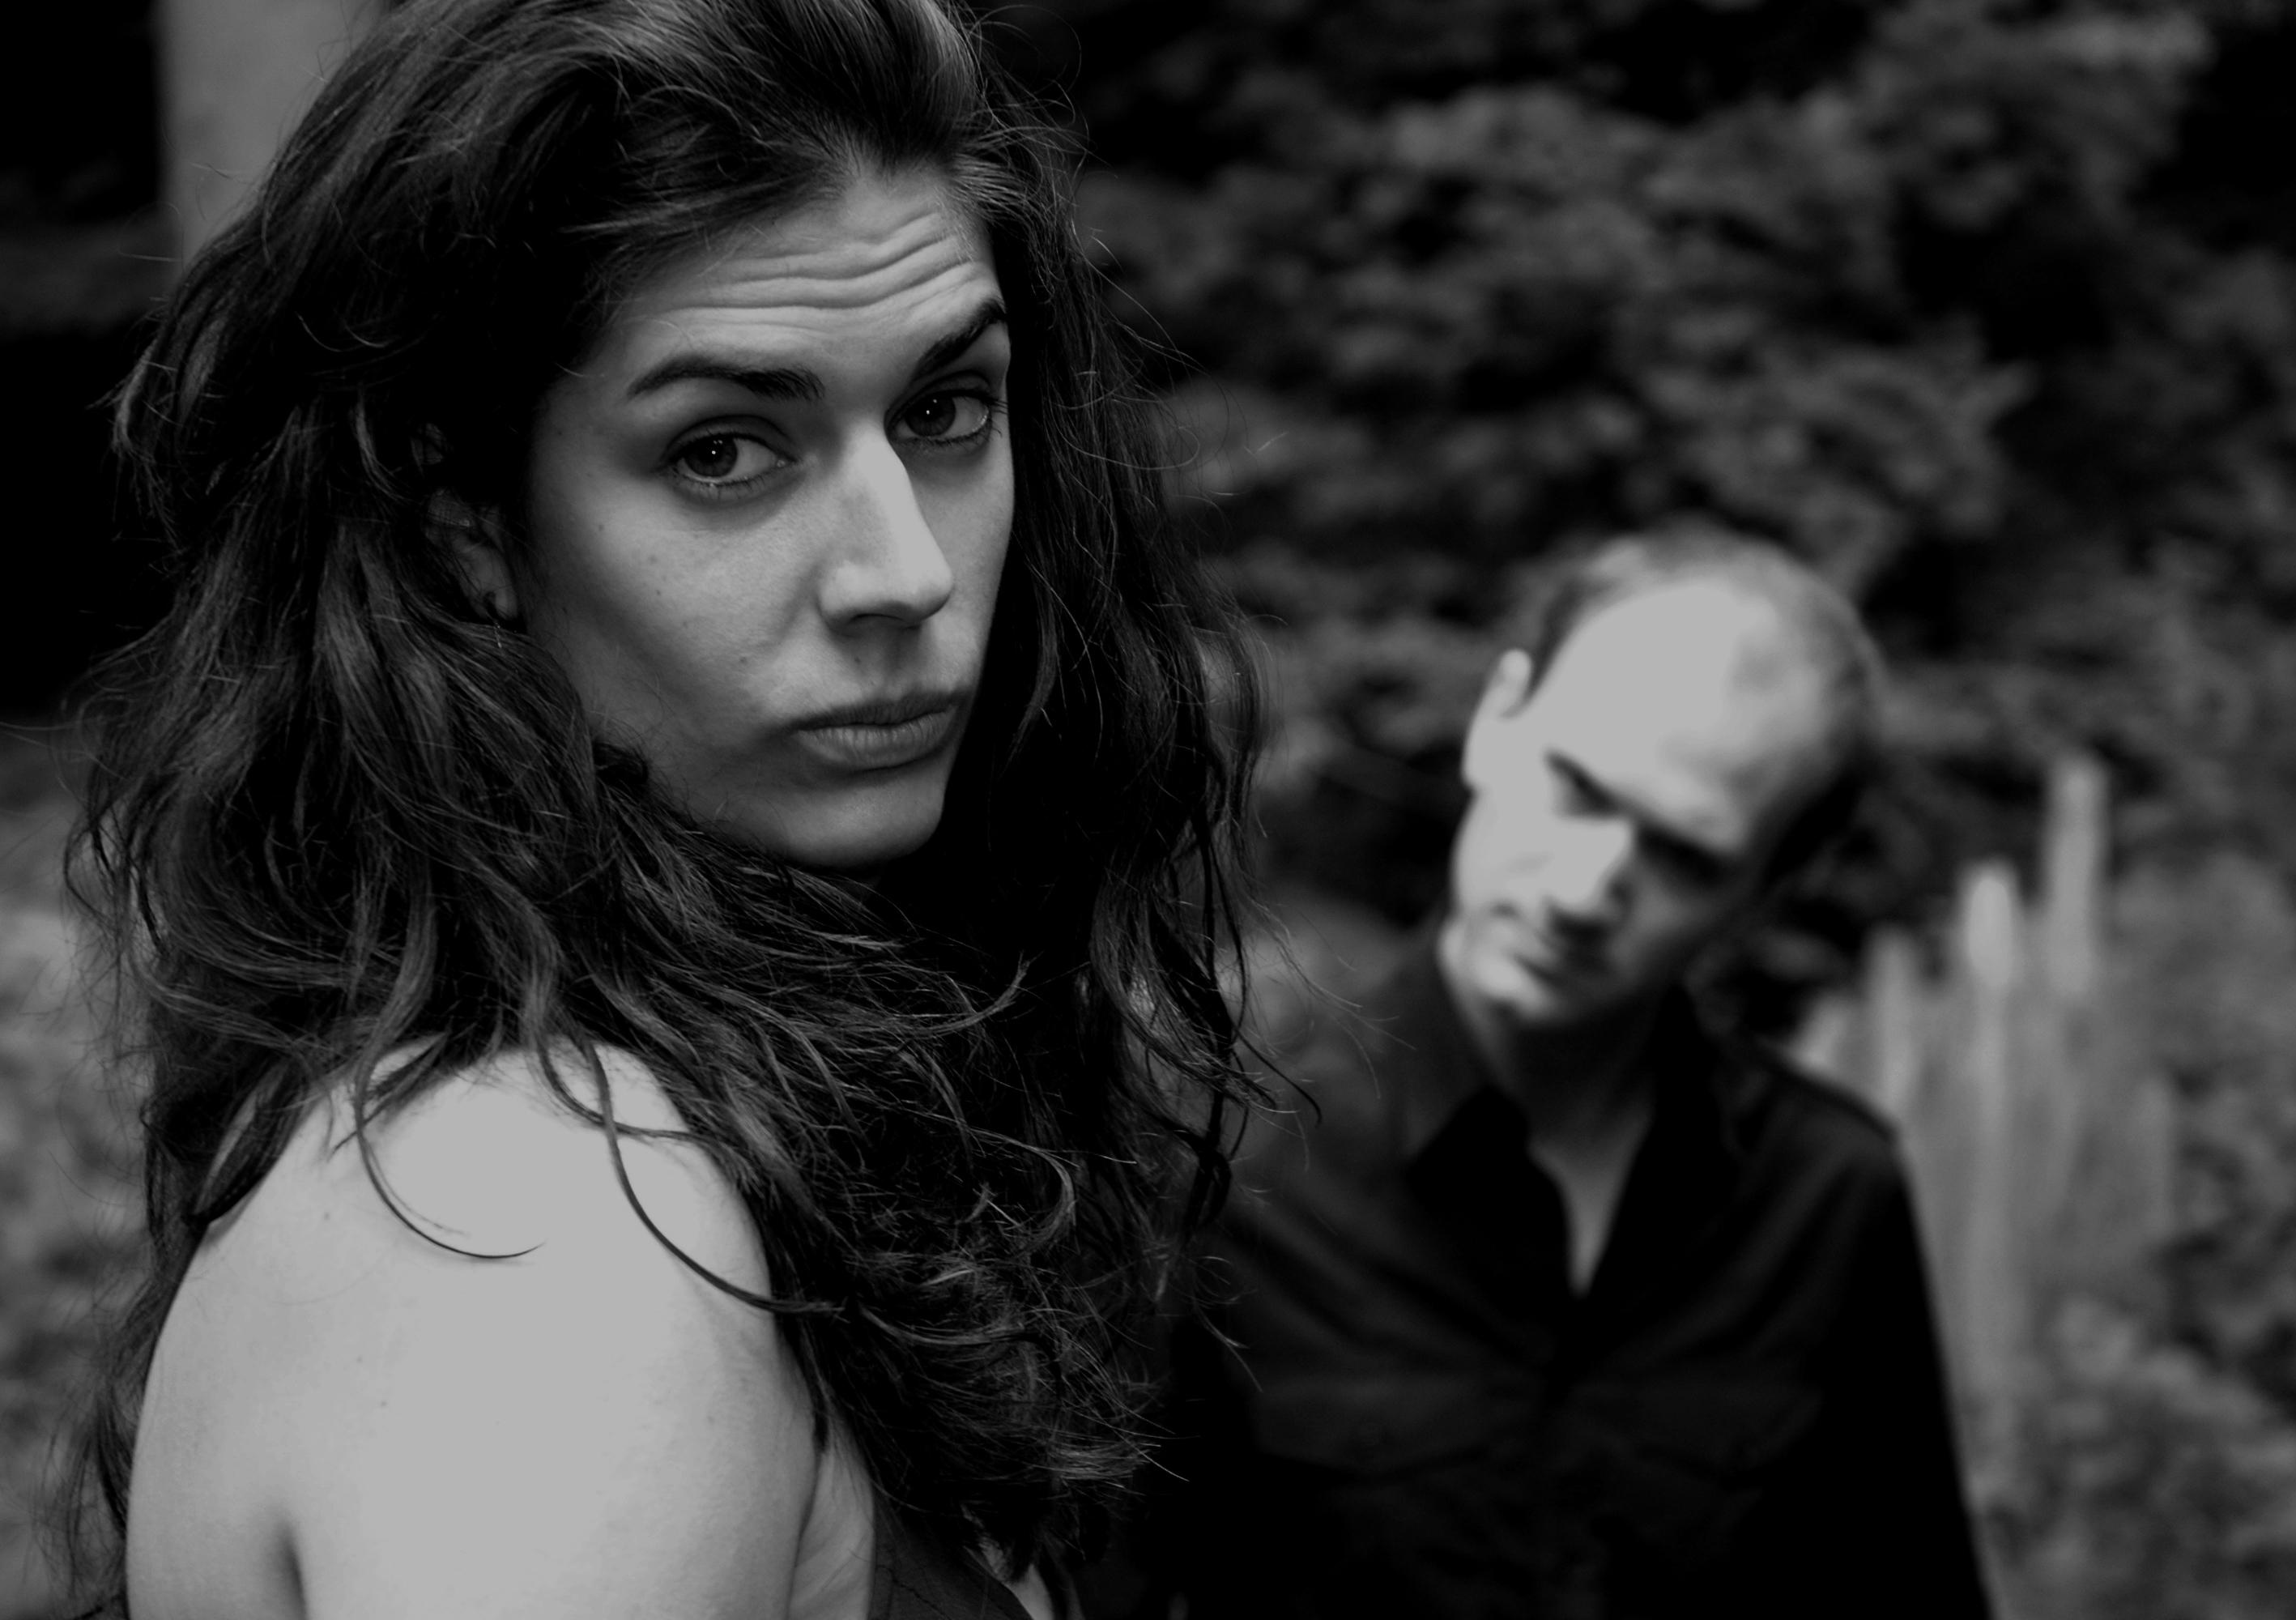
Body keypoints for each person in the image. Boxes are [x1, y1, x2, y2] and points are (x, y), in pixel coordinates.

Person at [56, 2, 1257, 1617]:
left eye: (944, 410)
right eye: (722, 451)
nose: (904, 571)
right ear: (463, 521)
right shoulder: (537, 1228)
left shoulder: (642, 1128)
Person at [1130, 535, 1989, 1618]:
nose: (1585, 892)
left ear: (1770, 891)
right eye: (1576, 786)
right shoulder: (1218, 1164)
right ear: (1499, 716)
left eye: (1683, 856)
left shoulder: (1830, 1196)